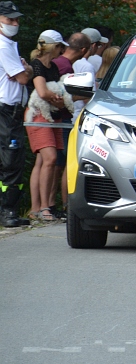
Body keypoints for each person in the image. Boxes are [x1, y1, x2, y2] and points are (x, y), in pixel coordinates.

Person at [26, 30, 69, 222]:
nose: (62, 51)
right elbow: (42, 92)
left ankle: (40, 207)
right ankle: (43, 207)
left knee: (44, 162)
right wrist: (59, 100)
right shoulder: (37, 66)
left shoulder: (52, 67)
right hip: (39, 115)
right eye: (60, 47)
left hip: (53, 116)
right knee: (50, 158)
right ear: (54, 47)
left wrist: (58, 102)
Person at [51, 32, 94, 216]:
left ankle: (54, 205)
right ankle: (66, 206)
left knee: (57, 164)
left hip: (57, 118)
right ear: (85, 49)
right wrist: (90, 96)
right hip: (61, 118)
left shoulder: (59, 62)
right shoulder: (65, 66)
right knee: (67, 163)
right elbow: (62, 96)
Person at [0, 2, 32, 227]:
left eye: (16, 19)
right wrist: (26, 69)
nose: (15, 23)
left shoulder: (8, 45)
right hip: (7, 111)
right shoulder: (3, 46)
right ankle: (8, 211)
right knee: (11, 160)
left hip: (10, 111)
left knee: (11, 159)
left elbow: (21, 74)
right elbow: (22, 78)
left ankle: (8, 210)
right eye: (10, 20)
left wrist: (24, 69)